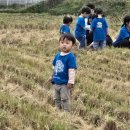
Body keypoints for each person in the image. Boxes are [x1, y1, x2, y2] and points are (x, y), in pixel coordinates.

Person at [49, 33, 77, 112]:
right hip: (56, 82)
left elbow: (72, 70)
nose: (64, 45)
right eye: (62, 42)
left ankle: (66, 112)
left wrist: (71, 82)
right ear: (59, 44)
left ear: (72, 45)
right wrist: (52, 77)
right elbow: (54, 67)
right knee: (56, 98)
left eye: (67, 43)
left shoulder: (70, 57)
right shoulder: (58, 55)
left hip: (64, 83)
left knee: (64, 98)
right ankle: (58, 110)